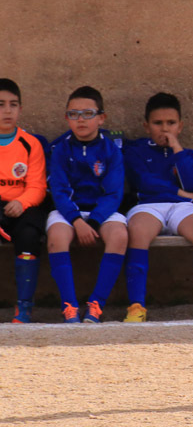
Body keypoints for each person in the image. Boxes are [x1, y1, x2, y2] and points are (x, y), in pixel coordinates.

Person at [122, 92, 193, 322]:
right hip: (148, 205)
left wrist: (177, 148)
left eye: (171, 123)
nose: (165, 129)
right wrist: (179, 193)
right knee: (137, 231)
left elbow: (192, 183)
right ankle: (136, 306)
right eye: (157, 123)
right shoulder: (135, 151)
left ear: (180, 126)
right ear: (146, 126)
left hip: (181, 208)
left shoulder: (189, 155)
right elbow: (144, 182)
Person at [47, 86, 128, 323]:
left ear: (101, 118)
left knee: (120, 236)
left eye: (88, 113)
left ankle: (96, 305)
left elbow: (113, 193)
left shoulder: (111, 150)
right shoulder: (60, 149)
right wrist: (76, 221)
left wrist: (93, 222)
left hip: (101, 213)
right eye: (73, 114)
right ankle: (69, 306)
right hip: (68, 212)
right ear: (67, 118)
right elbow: (59, 191)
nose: (80, 119)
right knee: (56, 238)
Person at [0, 79, 48, 323]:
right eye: (0, 104)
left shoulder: (30, 144)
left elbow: (38, 186)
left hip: (23, 206)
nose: (7, 111)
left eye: (13, 104)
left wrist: (22, 202)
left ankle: (24, 307)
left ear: (20, 108)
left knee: (29, 235)